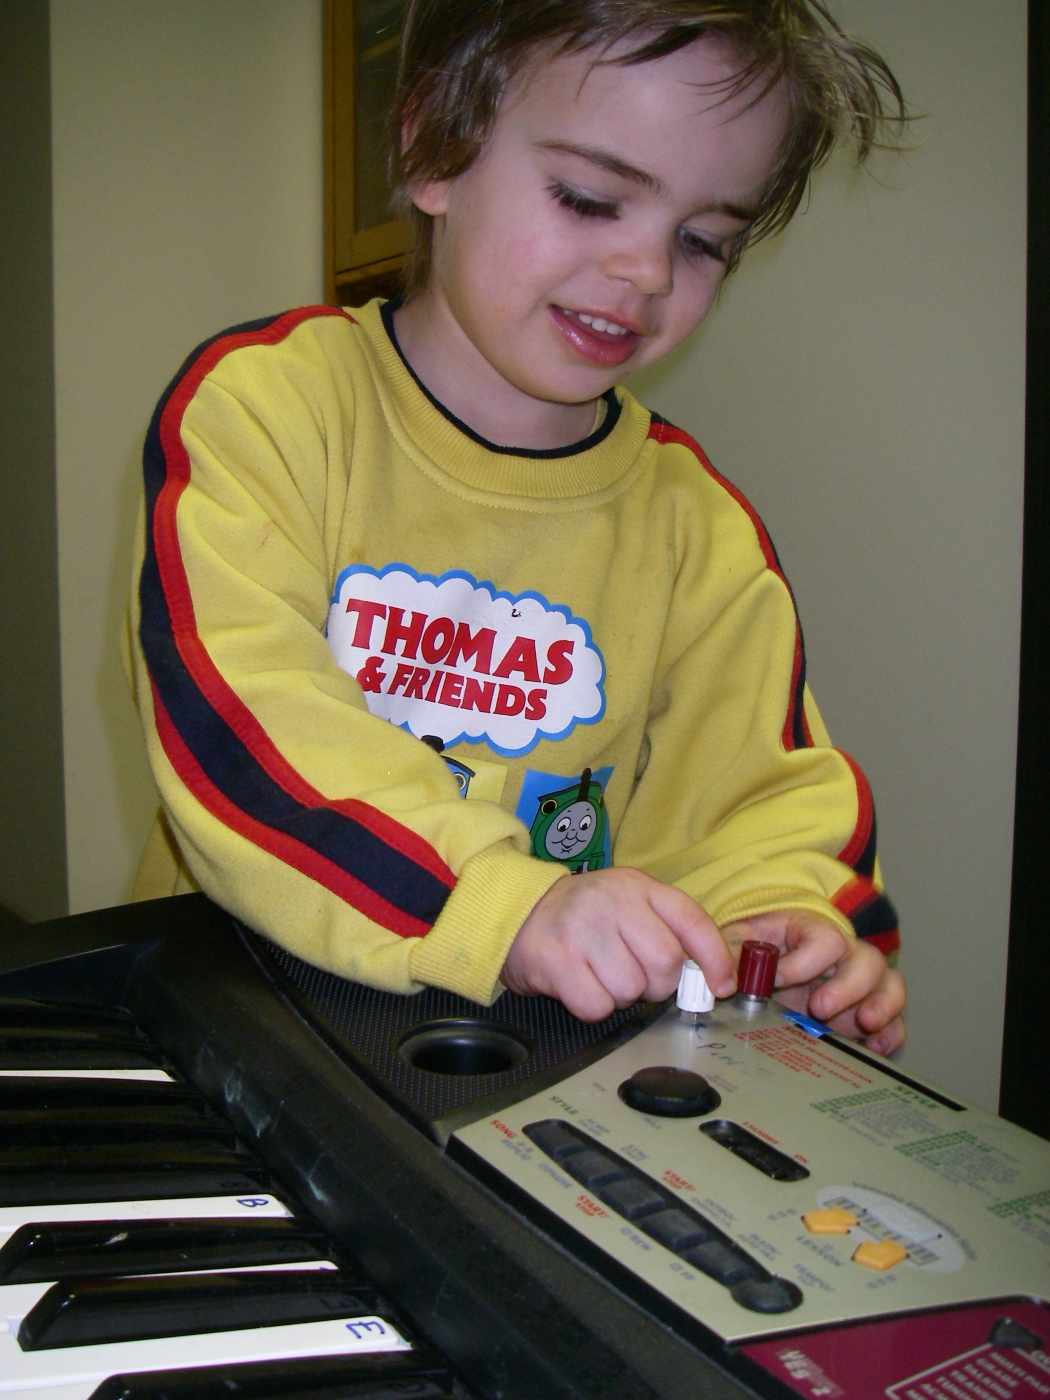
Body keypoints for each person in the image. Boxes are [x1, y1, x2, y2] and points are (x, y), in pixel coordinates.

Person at [128, 0, 908, 1053]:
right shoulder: (266, 406)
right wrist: (507, 904)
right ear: (434, 149)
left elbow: (760, 797)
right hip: (241, 1013)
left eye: (703, 242)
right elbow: (241, 716)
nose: (647, 272)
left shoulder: (697, 526)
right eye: (590, 199)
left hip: (520, 1055)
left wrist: (779, 919)